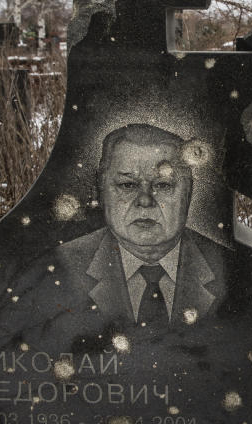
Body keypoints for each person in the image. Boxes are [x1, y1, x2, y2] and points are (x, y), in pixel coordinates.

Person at [51, 123, 230, 329]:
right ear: (100, 191)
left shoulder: (234, 268)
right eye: (128, 185)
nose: (145, 200)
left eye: (163, 185)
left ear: (188, 193)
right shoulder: (56, 268)